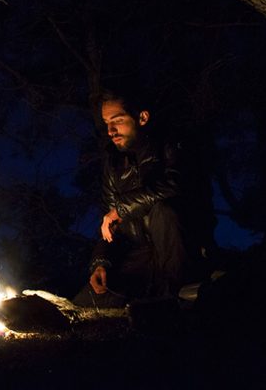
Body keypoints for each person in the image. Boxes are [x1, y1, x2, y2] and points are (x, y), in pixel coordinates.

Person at [74, 88, 213, 307]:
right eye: (106, 122)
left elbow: (175, 185)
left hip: (180, 252)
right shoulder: (114, 163)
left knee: (164, 210)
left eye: (117, 120)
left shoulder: (172, 143)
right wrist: (100, 264)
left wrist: (121, 208)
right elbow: (109, 225)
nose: (110, 130)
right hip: (140, 256)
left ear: (142, 117)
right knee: (87, 301)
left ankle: (181, 296)